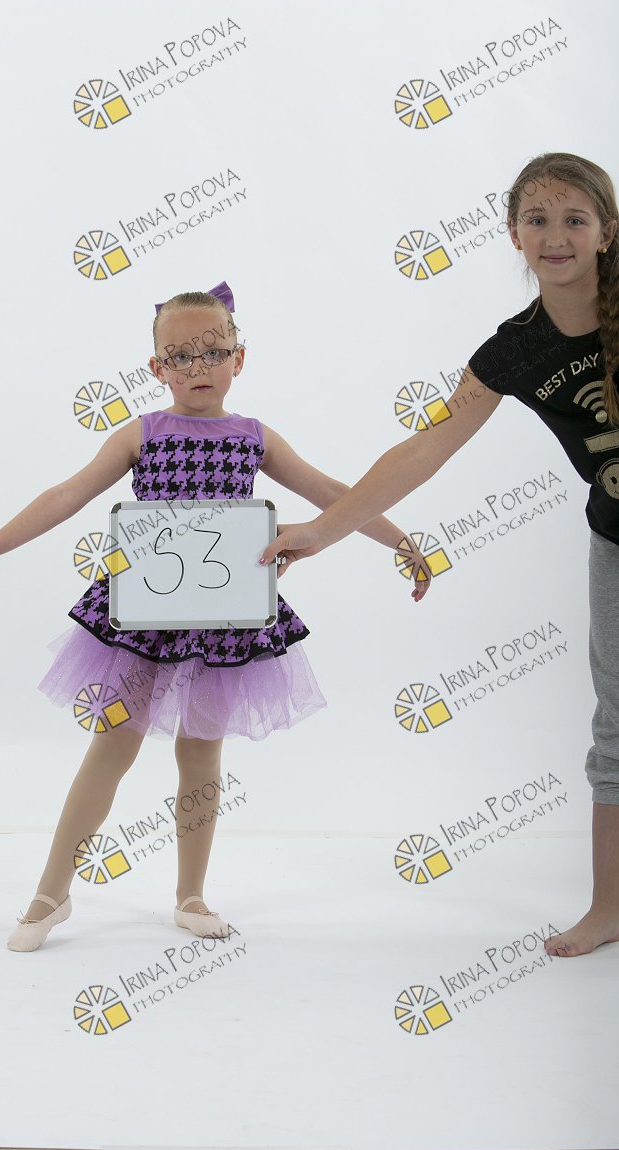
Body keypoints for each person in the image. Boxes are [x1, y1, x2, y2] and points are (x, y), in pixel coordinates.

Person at [0, 281, 430, 952]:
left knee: (202, 749)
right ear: (157, 368)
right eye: (179, 357)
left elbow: (333, 492)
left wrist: (401, 541)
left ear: (240, 358)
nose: (197, 368)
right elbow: (68, 492)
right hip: (145, 614)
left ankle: (191, 894)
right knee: (113, 743)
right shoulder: (143, 433)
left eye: (213, 352)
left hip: (224, 615)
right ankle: (51, 891)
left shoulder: (253, 437)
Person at [260, 152, 619, 959]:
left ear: (607, 232)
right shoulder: (514, 351)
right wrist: (323, 530)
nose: (556, 235)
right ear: (514, 235)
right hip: (616, 541)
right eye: (537, 219)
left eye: (574, 219)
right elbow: (426, 447)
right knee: (617, 725)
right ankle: (609, 907)